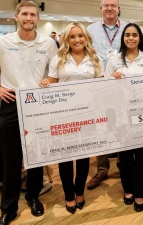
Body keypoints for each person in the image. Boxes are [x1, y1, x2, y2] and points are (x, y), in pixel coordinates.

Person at [0, 0, 58, 225]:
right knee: (11, 159)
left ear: (38, 18)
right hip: (11, 103)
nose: (29, 18)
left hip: (39, 104)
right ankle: (8, 207)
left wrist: (49, 83)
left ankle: (33, 196)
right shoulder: (3, 42)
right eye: (24, 14)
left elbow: (55, 72)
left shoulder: (48, 43)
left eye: (33, 15)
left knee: (36, 155)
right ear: (16, 17)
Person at [39, 22, 104, 214]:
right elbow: (51, 84)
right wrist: (45, 83)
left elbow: (100, 87)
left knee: (83, 157)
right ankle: (69, 195)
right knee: (65, 158)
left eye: (80, 36)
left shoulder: (95, 59)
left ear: (86, 38)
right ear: (66, 39)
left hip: (87, 115)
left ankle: (80, 192)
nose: (77, 40)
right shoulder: (58, 58)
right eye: (73, 36)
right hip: (63, 116)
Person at [106, 23, 143, 212]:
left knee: (142, 155)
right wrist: (113, 78)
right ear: (123, 38)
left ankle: (141, 191)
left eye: (135, 35)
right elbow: (105, 85)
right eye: (127, 35)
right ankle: (128, 189)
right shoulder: (114, 60)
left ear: (140, 38)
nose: (131, 38)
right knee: (125, 155)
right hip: (121, 114)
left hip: (142, 113)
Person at [86, 0, 127, 190]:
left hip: (122, 84)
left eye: (113, 6)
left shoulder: (128, 28)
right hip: (98, 83)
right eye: (106, 6)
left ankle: (123, 164)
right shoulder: (90, 30)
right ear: (100, 8)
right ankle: (101, 169)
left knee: (120, 124)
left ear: (119, 8)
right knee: (100, 126)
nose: (110, 8)